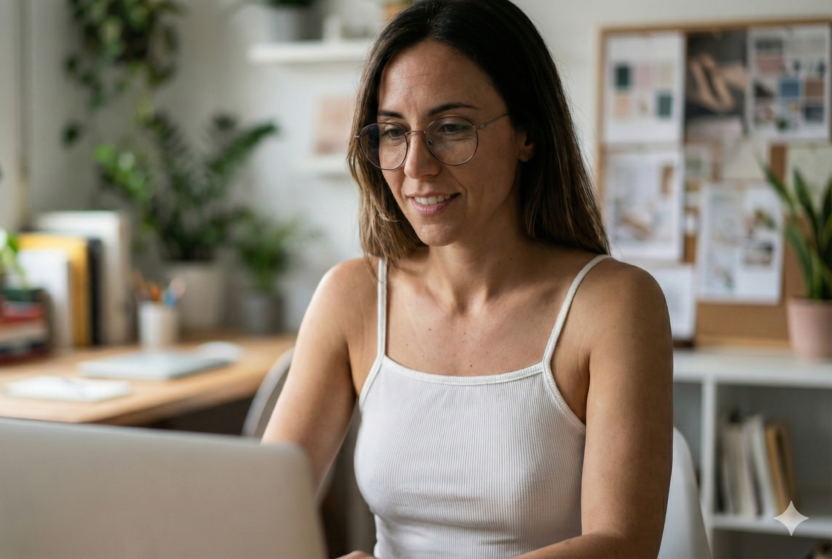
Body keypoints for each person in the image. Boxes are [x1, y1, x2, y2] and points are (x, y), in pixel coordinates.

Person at [262, 0, 674, 557]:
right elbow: (259, 512)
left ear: (527, 132)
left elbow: (625, 544)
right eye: (392, 132)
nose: (415, 167)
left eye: (451, 128)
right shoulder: (351, 298)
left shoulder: (614, 305)